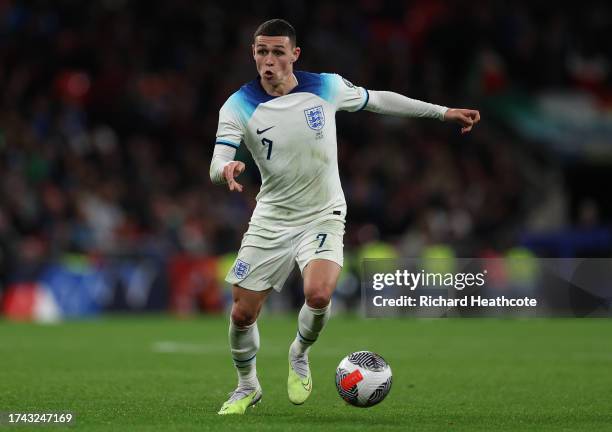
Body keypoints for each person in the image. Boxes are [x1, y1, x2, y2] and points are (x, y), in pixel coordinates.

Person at [210, 18, 480, 415]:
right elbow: (218, 158)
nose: (268, 61)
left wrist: (442, 112)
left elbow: (381, 100)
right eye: (261, 52)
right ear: (254, 53)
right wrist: (226, 170)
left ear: (294, 55)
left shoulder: (326, 87)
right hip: (272, 218)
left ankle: (299, 353)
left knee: (319, 294)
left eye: (277, 52)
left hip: (323, 213)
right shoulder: (238, 105)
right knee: (242, 312)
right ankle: (247, 386)